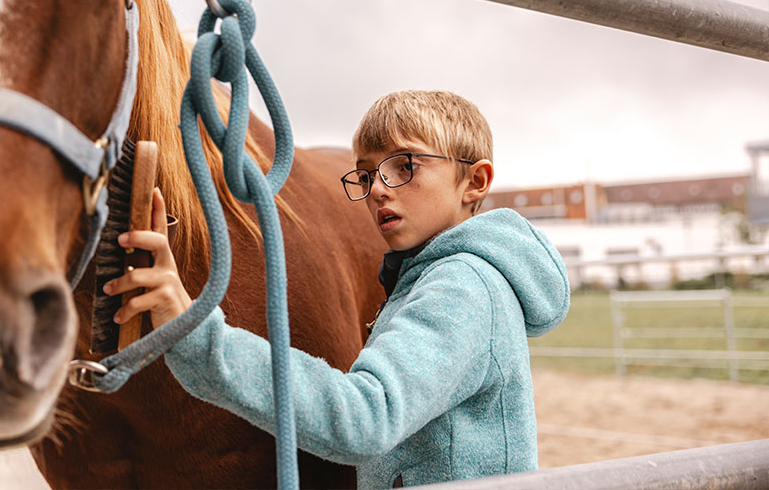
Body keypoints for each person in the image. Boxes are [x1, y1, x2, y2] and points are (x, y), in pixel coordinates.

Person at [104, 90, 570, 487]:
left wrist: (195, 331)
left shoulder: (462, 287)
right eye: (366, 175)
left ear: (475, 181)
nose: (379, 190)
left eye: (404, 166)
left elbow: (367, 417)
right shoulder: (434, 277)